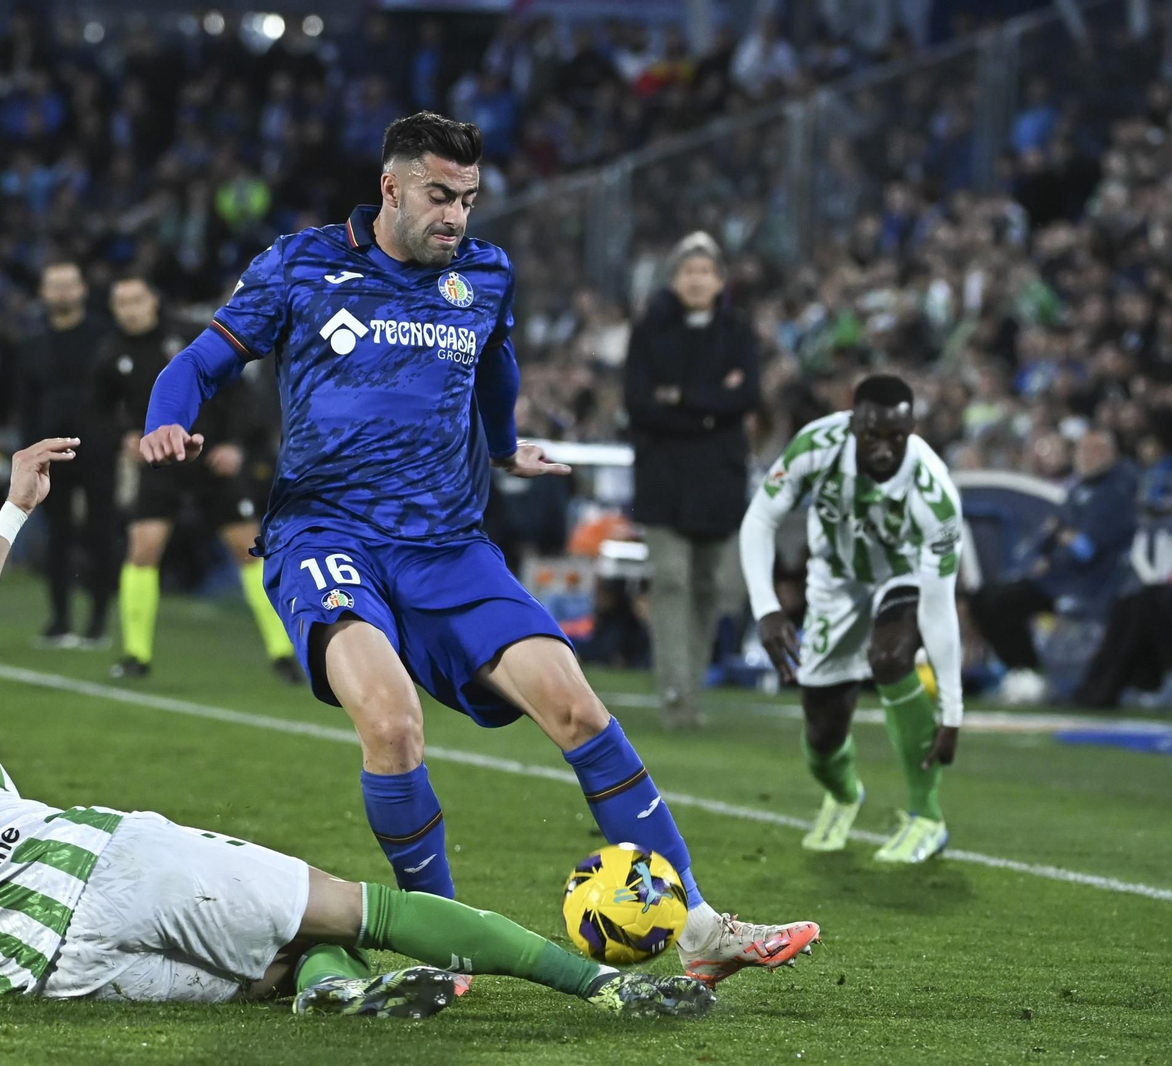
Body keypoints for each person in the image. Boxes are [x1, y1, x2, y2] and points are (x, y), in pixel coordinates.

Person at [0, 437, 716, 1022]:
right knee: (368, 910)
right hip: (97, 862)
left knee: (273, 970)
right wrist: (10, 512)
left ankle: (324, 998)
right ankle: (604, 988)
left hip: (36, 969)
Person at [140, 111, 818, 987]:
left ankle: (695, 923)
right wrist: (165, 424)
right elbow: (196, 363)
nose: (456, 217)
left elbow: (494, 372)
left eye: (467, 198)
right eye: (438, 196)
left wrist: (503, 445)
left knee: (577, 707)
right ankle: (448, 938)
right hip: (326, 532)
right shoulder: (301, 265)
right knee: (390, 724)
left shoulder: (484, 275)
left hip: (448, 545)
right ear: (391, 187)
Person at [740, 376, 964, 864]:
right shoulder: (816, 446)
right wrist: (767, 607)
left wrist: (952, 709)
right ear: (852, 422)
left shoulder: (935, 495)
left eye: (897, 437)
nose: (885, 450)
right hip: (834, 585)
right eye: (873, 436)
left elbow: (940, 604)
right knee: (822, 731)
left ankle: (926, 816)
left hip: (903, 578)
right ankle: (843, 794)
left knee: (891, 659)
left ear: (912, 429)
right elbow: (760, 520)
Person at [110, 275, 300, 681]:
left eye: (136, 299)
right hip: (161, 463)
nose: (130, 309)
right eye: (121, 302)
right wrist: (123, 436)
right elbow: (100, 407)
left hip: (212, 458)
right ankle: (135, 654)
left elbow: (238, 394)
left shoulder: (191, 338)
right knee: (143, 548)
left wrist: (234, 444)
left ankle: (284, 652)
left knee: (248, 548)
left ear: (153, 300)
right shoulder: (112, 353)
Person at [624, 231, 760, 729]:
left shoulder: (737, 331)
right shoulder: (650, 330)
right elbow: (639, 405)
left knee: (708, 586)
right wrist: (709, 406)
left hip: (718, 482)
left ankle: (690, 691)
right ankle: (674, 690)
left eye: (706, 271)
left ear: (720, 280)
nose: (698, 280)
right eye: (689, 271)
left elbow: (747, 398)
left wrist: (679, 398)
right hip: (663, 479)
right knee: (672, 580)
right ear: (674, 278)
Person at [970, 429, 1140, 704]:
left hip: (1087, 585)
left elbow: (1086, 549)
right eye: (1083, 451)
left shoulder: (1115, 493)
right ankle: (1024, 671)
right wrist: (1057, 543)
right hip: (1057, 579)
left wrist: (1057, 549)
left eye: (1094, 452)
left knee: (1001, 602)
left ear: (1111, 455)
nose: (1086, 458)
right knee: (984, 597)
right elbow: (1049, 534)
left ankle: (1030, 672)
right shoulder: (1080, 489)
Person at [18, 259, 121, 649]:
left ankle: (97, 621)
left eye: (68, 285)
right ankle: (59, 620)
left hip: (98, 445)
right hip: (48, 450)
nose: (61, 293)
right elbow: (26, 404)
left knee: (102, 532)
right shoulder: (32, 345)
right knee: (57, 534)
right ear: (44, 293)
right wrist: (27, 452)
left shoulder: (104, 337)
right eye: (54, 285)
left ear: (82, 290)